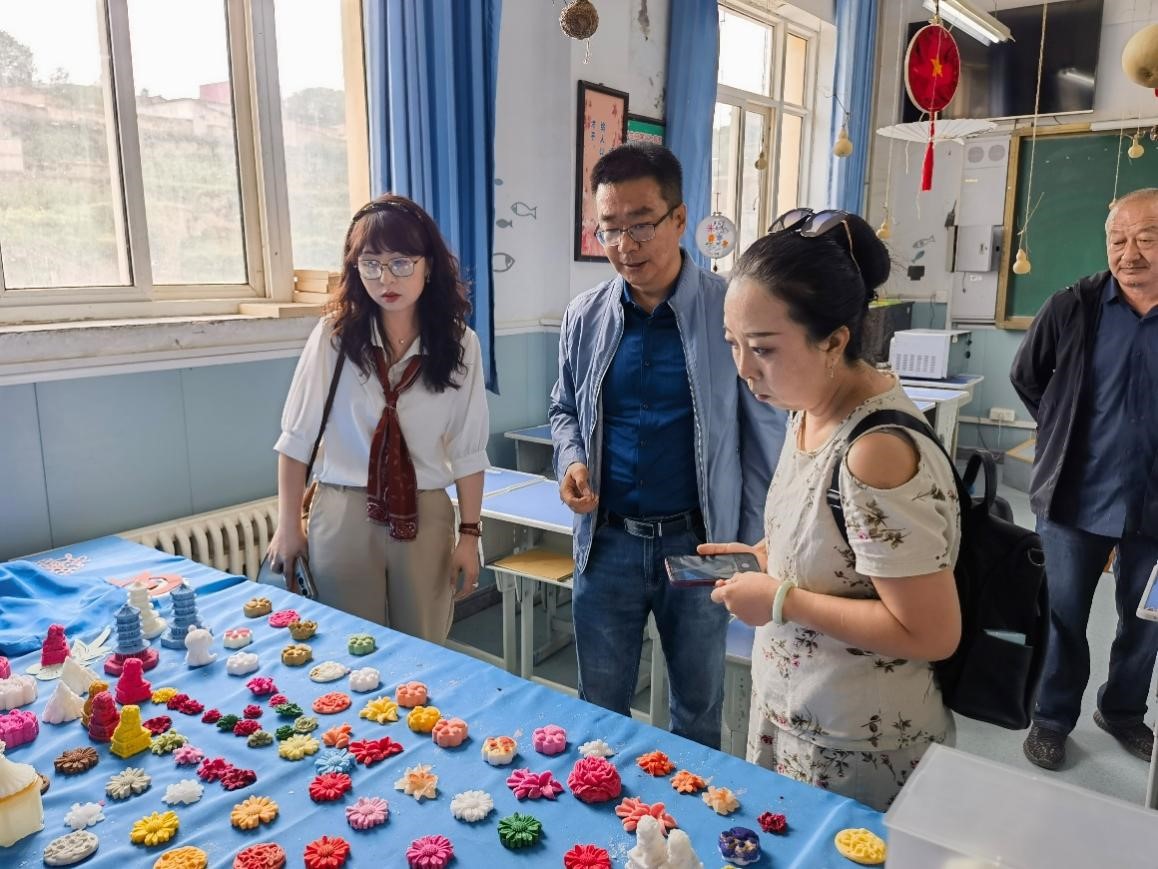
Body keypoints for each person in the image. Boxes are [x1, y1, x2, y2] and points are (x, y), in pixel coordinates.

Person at [704, 208, 962, 812]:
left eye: (763, 349)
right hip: (794, 711)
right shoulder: (809, 408)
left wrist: (780, 600)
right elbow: (842, 552)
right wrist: (769, 558)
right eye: (733, 344)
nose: (744, 369)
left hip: (856, 742)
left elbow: (931, 632)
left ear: (835, 341)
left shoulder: (875, 451)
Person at [548, 142, 785, 748]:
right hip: (608, 544)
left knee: (697, 711)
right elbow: (564, 409)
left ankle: (691, 809)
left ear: (680, 219)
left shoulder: (730, 310)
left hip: (700, 543)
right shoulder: (585, 316)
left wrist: (752, 546)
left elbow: (764, 438)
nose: (625, 245)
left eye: (641, 224)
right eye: (609, 229)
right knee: (599, 710)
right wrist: (572, 459)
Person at [268, 194, 490, 643]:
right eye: (371, 264)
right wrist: (288, 525)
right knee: (347, 648)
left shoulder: (460, 344)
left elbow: (469, 450)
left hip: (425, 514)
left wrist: (470, 535)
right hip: (344, 511)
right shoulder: (334, 337)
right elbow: (296, 438)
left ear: (429, 265)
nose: (386, 279)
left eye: (401, 263)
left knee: (423, 647)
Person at [1011, 187, 1158, 771]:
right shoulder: (1072, 307)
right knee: (1064, 616)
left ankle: (1122, 711)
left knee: (1146, 622)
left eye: (1146, 238)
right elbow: (1028, 377)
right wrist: (1062, 431)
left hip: (1155, 505)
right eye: (1118, 240)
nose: (1129, 253)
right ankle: (1051, 718)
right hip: (1075, 496)